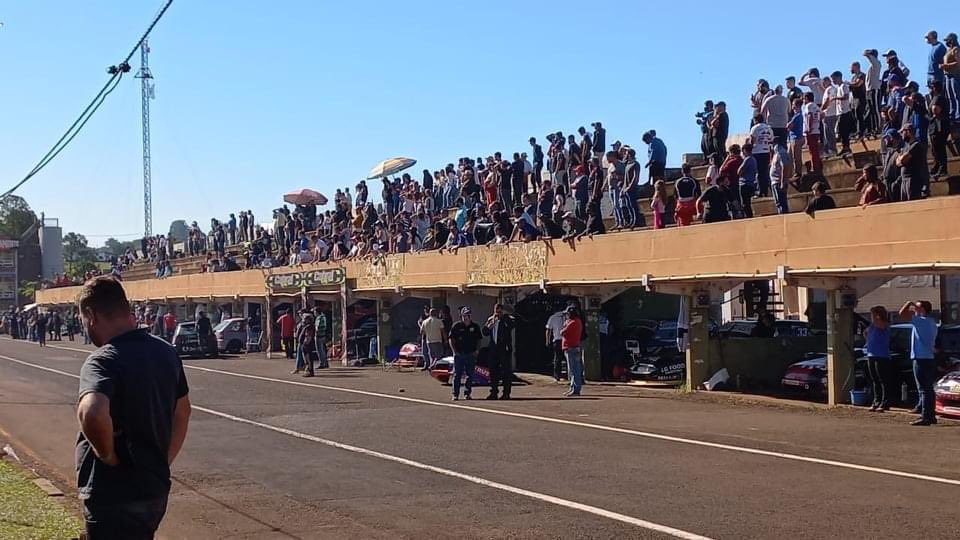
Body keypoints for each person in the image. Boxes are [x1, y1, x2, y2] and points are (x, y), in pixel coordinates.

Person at [75, 276, 191, 538]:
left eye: (82, 319)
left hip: (112, 492)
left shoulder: (102, 361)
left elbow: (91, 412)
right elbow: (183, 412)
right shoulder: (166, 352)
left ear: (91, 315)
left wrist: (107, 456)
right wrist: (163, 461)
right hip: (153, 488)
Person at [898, 300, 939, 425]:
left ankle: (925, 416)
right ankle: (930, 415)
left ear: (923, 310)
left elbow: (902, 314)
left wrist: (909, 302)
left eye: (917, 307)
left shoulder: (920, 321)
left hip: (920, 358)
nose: (914, 309)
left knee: (923, 389)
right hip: (929, 357)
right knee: (928, 388)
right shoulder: (932, 322)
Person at [483, 304, 517, 400]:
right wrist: (490, 326)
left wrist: (503, 318)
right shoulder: (491, 319)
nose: (497, 313)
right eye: (496, 311)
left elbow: (512, 326)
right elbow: (484, 332)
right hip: (494, 349)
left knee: (506, 371)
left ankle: (506, 392)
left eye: (499, 311)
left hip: (504, 349)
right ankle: (493, 392)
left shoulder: (506, 319)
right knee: (493, 371)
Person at [448, 307, 482, 401]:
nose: (467, 317)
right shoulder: (457, 326)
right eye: (465, 315)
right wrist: (454, 351)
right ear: (462, 315)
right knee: (457, 374)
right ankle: (455, 394)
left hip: (470, 353)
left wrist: (477, 350)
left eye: (468, 315)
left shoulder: (475, 326)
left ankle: (467, 393)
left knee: (469, 375)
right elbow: (451, 339)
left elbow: (479, 339)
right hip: (459, 354)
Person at [864, 306, 893, 412]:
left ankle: (885, 402)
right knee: (874, 379)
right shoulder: (872, 326)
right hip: (871, 354)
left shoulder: (883, 324)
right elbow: (866, 332)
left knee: (883, 380)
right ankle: (876, 401)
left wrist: (877, 318)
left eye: (873, 314)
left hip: (882, 355)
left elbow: (880, 325)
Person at [928, 80, 951, 178]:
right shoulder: (943, 98)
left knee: (939, 148)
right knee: (936, 149)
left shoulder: (938, 98)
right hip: (940, 127)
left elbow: (935, 109)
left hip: (938, 127)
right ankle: (938, 166)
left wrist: (931, 117)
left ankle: (942, 168)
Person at [896, 125, 925, 201]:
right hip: (904, 180)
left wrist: (901, 159)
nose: (901, 134)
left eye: (902, 132)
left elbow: (902, 160)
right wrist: (901, 159)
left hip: (913, 180)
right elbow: (897, 162)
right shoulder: (905, 147)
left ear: (908, 131)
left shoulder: (916, 145)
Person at [560, 305, 584, 397]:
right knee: (574, 369)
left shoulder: (573, 322)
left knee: (574, 370)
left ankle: (575, 389)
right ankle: (572, 387)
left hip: (571, 347)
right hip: (573, 347)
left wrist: (564, 326)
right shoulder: (577, 321)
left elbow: (562, 332)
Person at [748, 115, 774, 197]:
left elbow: (752, 140)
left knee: (759, 173)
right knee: (765, 172)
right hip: (766, 151)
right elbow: (771, 139)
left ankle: (760, 191)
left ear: (755, 120)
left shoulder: (754, 128)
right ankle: (765, 191)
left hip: (757, 151)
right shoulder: (769, 128)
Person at [863, 49, 883, 136]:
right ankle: (872, 128)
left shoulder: (877, 63)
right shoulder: (872, 66)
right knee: (870, 110)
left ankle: (878, 127)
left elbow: (867, 55)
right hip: (869, 90)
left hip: (874, 89)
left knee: (876, 109)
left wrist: (867, 53)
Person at [802, 92, 823, 173]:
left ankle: (815, 168)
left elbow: (809, 116)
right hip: (816, 130)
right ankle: (818, 165)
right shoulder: (816, 106)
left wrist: (809, 128)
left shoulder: (809, 106)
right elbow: (821, 115)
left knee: (812, 151)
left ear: (806, 98)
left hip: (811, 131)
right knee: (815, 150)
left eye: (804, 98)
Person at [769, 141, 792, 215]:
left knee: (781, 203)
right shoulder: (776, 153)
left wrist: (782, 181)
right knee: (778, 203)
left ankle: (783, 217)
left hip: (778, 182)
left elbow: (785, 166)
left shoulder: (781, 153)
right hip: (775, 181)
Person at [545, 307, 566, 382]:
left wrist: (547, 340)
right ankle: (570, 375)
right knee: (568, 358)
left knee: (557, 358)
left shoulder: (552, 317)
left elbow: (548, 330)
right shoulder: (566, 316)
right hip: (566, 340)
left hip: (557, 340)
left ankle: (557, 375)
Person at [737, 142, 758, 218]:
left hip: (744, 183)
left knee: (745, 203)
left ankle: (748, 217)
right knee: (747, 202)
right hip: (751, 183)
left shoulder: (747, 159)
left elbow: (739, 171)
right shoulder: (754, 159)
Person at [943, 33, 960, 123]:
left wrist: (946, 65)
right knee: (950, 96)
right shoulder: (948, 50)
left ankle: (958, 113)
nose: (947, 42)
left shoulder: (956, 49)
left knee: (956, 94)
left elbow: (958, 63)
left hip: (955, 74)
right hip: (947, 75)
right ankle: (952, 112)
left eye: (948, 40)